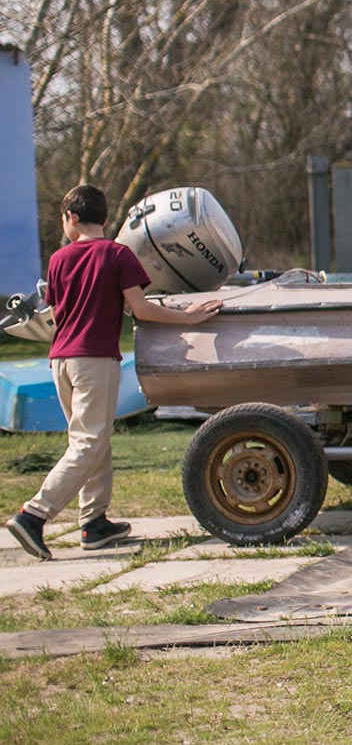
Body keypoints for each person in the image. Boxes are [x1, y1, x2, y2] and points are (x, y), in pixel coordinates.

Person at [7, 185, 220, 560]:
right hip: (94, 360)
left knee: (92, 440)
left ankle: (94, 523)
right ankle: (33, 515)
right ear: (104, 218)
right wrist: (186, 318)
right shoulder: (118, 255)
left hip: (60, 360)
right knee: (88, 443)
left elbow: (57, 313)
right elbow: (141, 309)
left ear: (71, 218)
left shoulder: (58, 259)